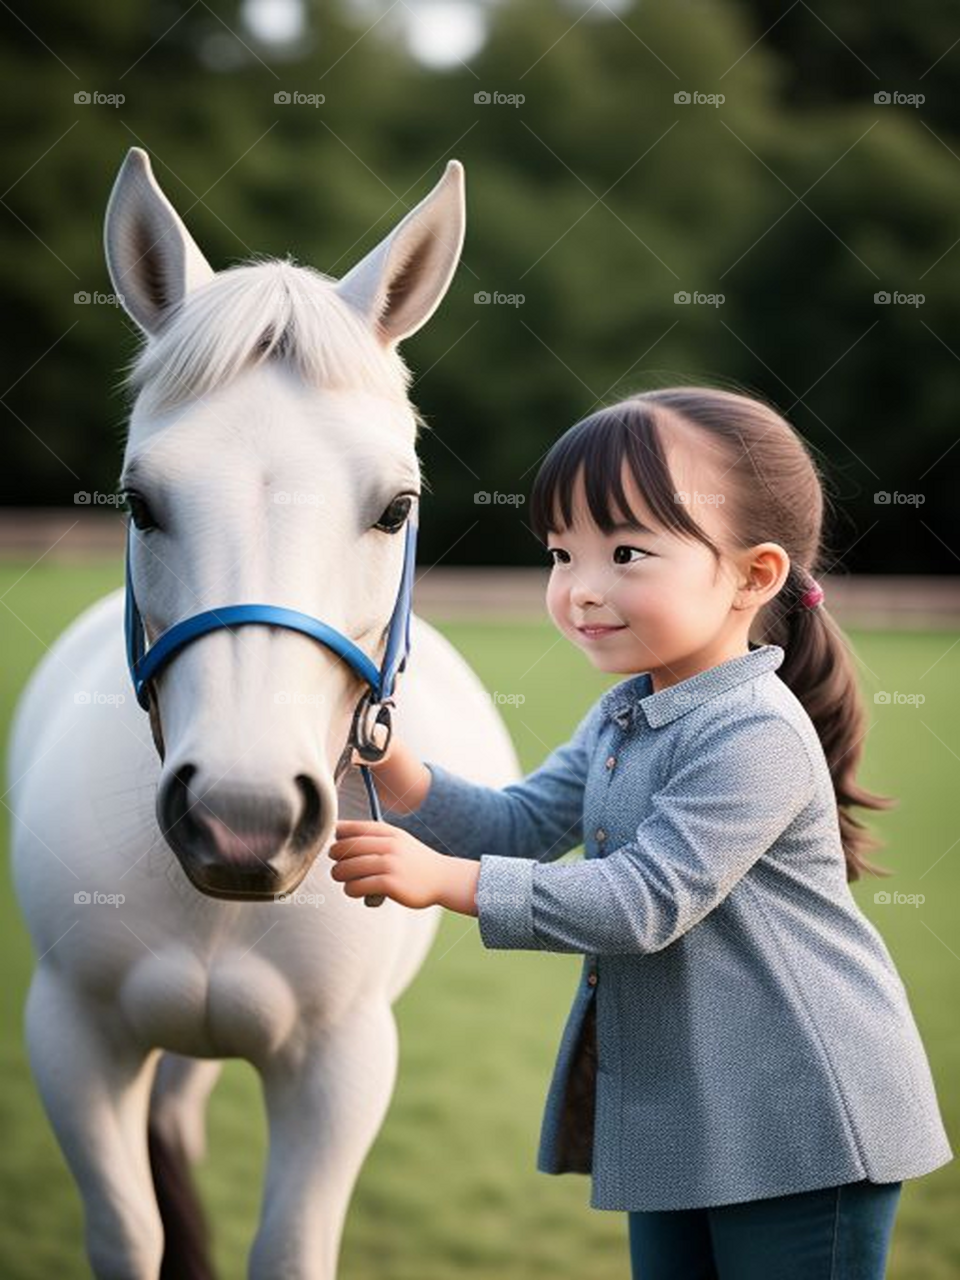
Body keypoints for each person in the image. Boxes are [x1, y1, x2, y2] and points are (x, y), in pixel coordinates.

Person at [328, 387, 953, 1279]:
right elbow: (521, 823)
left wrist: (447, 882)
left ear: (754, 575)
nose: (581, 589)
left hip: (805, 1121)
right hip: (684, 1120)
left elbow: (641, 903)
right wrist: (396, 771)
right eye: (560, 553)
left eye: (625, 552)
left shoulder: (755, 733)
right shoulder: (626, 714)